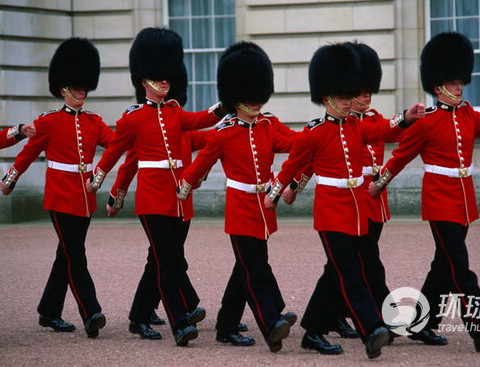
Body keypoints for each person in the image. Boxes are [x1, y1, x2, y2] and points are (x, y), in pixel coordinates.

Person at [368, 32, 480, 352]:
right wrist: (380, 182)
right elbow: (401, 156)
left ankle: (420, 325)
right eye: (453, 83)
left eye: (460, 82)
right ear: (438, 86)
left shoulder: (467, 114)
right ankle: (479, 328)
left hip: (463, 199)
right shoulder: (426, 122)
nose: (459, 87)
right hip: (439, 201)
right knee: (460, 267)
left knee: (443, 267)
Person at [264, 42, 411, 359]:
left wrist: (406, 119)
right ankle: (372, 328)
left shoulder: (358, 125)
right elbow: (295, 165)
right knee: (349, 273)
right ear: (327, 96)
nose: (351, 101)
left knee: (342, 271)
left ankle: (314, 331)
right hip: (331, 212)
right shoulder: (314, 131)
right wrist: (277, 193)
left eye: (351, 96)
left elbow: (382, 130)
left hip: (358, 209)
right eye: (345, 96)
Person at [86, 27, 224, 346]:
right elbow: (117, 152)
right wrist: (100, 177)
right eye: (158, 77)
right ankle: (179, 321)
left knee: (163, 260)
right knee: (169, 261)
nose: (165, 81)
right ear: (144, 79)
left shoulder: (176, 112)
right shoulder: (133, 118)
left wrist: (224, 104)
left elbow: (203, 119)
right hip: (152, 198)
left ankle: (138, 317)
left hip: (179, 198)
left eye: (167, 77)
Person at [177, 41, 297, 352]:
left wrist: (319, 136)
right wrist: (185, 185)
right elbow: (199, 164)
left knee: (247, 267)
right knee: (254, 268)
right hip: (241, 208)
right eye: (249, 97)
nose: (256, 103)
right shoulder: (224, 132)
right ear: (236, 98)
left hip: (264, 208)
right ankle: (271, 322)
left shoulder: (269, 125)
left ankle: (227, 326)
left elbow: (296, 143)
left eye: (259, 96)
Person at [1, 38, 111, 338]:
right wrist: (11, 178)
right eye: (77, 86)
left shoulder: (94, 122)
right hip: (60, 197)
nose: (82, 91)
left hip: (85, 198)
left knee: (66, 254)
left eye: (84, 86)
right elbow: (27, 152)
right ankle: (92, 312)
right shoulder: (48, 121)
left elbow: (115, 144)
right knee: (76, 255)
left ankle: (49, 311)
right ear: (64, 87)